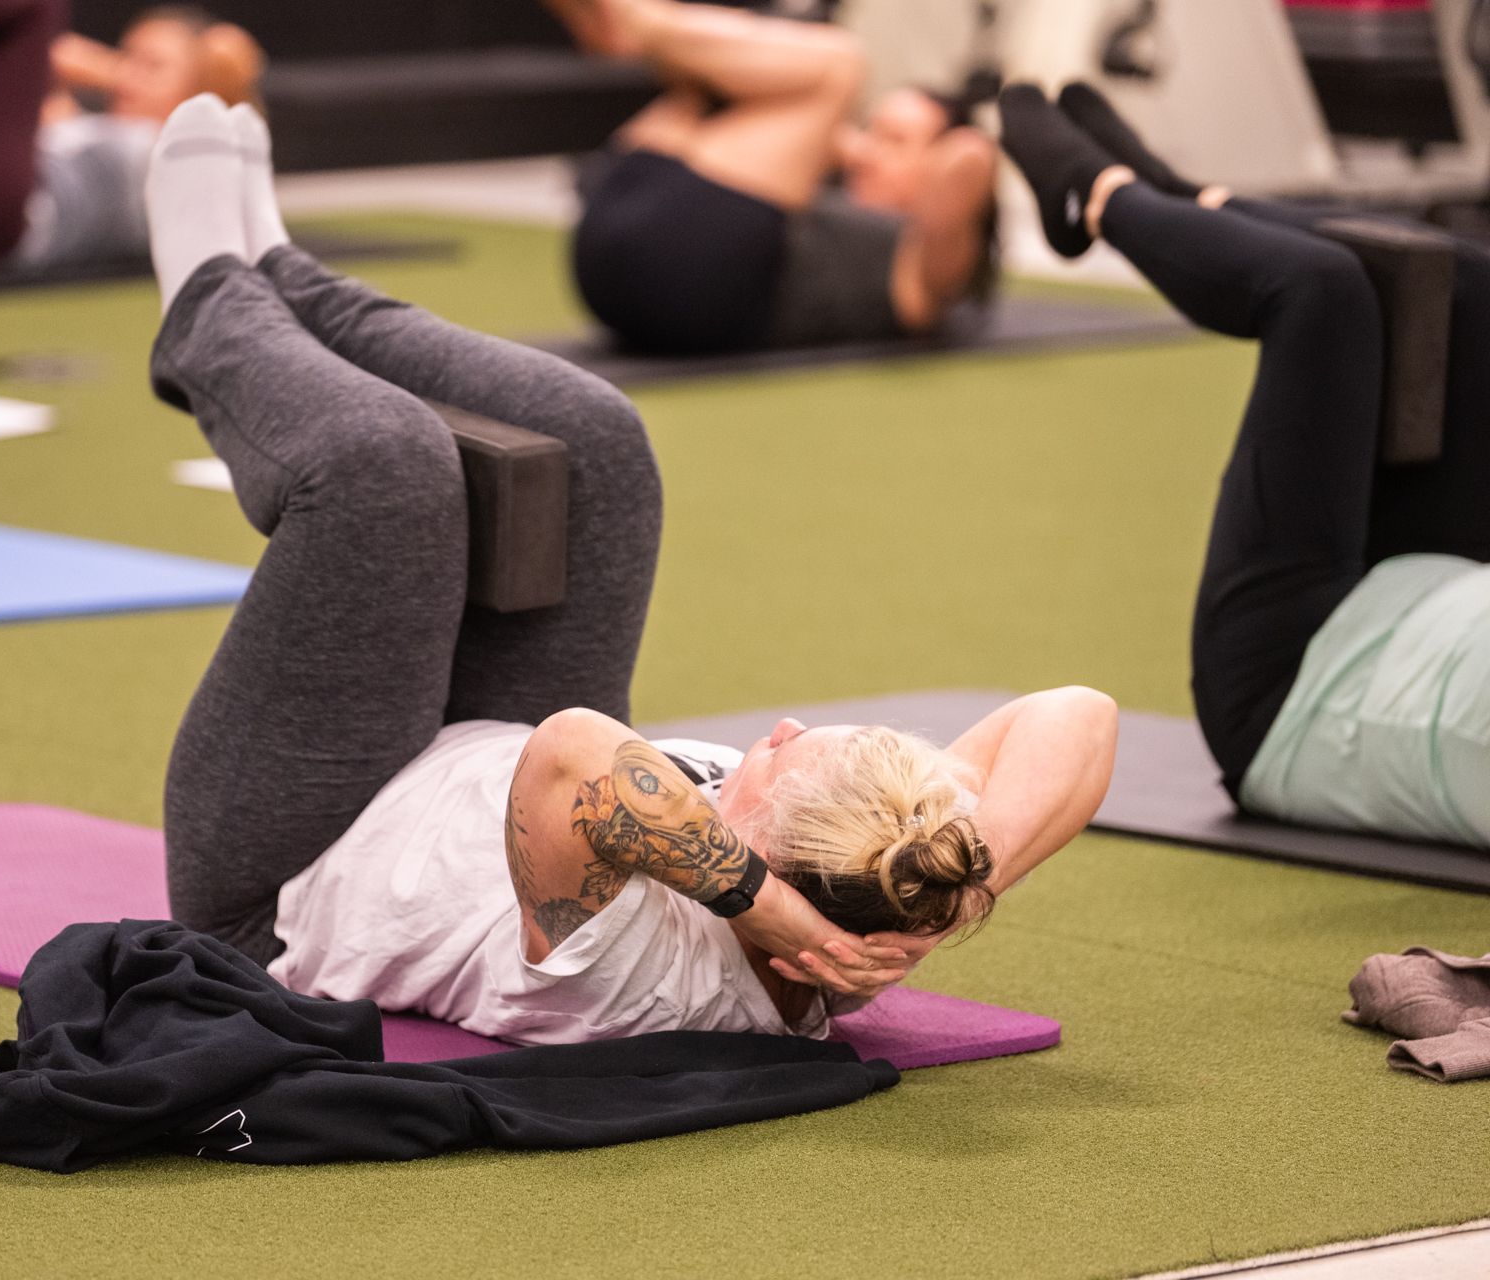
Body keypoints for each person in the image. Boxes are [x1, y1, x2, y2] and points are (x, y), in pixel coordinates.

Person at [145, 93, 1117, 1045]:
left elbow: (573, 752)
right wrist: (946, 908)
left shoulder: (642, 969)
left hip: (298, 864)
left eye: (784, 755)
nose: (776, 731)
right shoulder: (874, 877)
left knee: (386, 469)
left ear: (771, 860)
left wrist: (759, 905)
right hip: (478, 762)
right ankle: (284, 274)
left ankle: (205, 302)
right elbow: (1078, 714)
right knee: (599, 443)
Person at [997, 81, 1490, 849]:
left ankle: (1097, 197)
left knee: (1318, 293)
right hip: (1442, 583)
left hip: (1298, 689)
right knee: (1459, 286)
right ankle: (1189, 201)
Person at [546, 0, 1000, 354]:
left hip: (682, 282)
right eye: (870, 133)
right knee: (729, 82)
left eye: (896, 142)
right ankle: (635, 27)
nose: (866, 152)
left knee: (842, 62)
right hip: (619, 248)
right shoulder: (809, 190)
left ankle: (636, 23)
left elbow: (969, 157)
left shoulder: (928, 266)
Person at [0, 0, 265, 277]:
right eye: (125, 56)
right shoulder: (87, 126)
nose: (126, 77)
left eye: (151, 67)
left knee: (35, 7)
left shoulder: (170, 155)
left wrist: (111, 70)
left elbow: (50, 53)